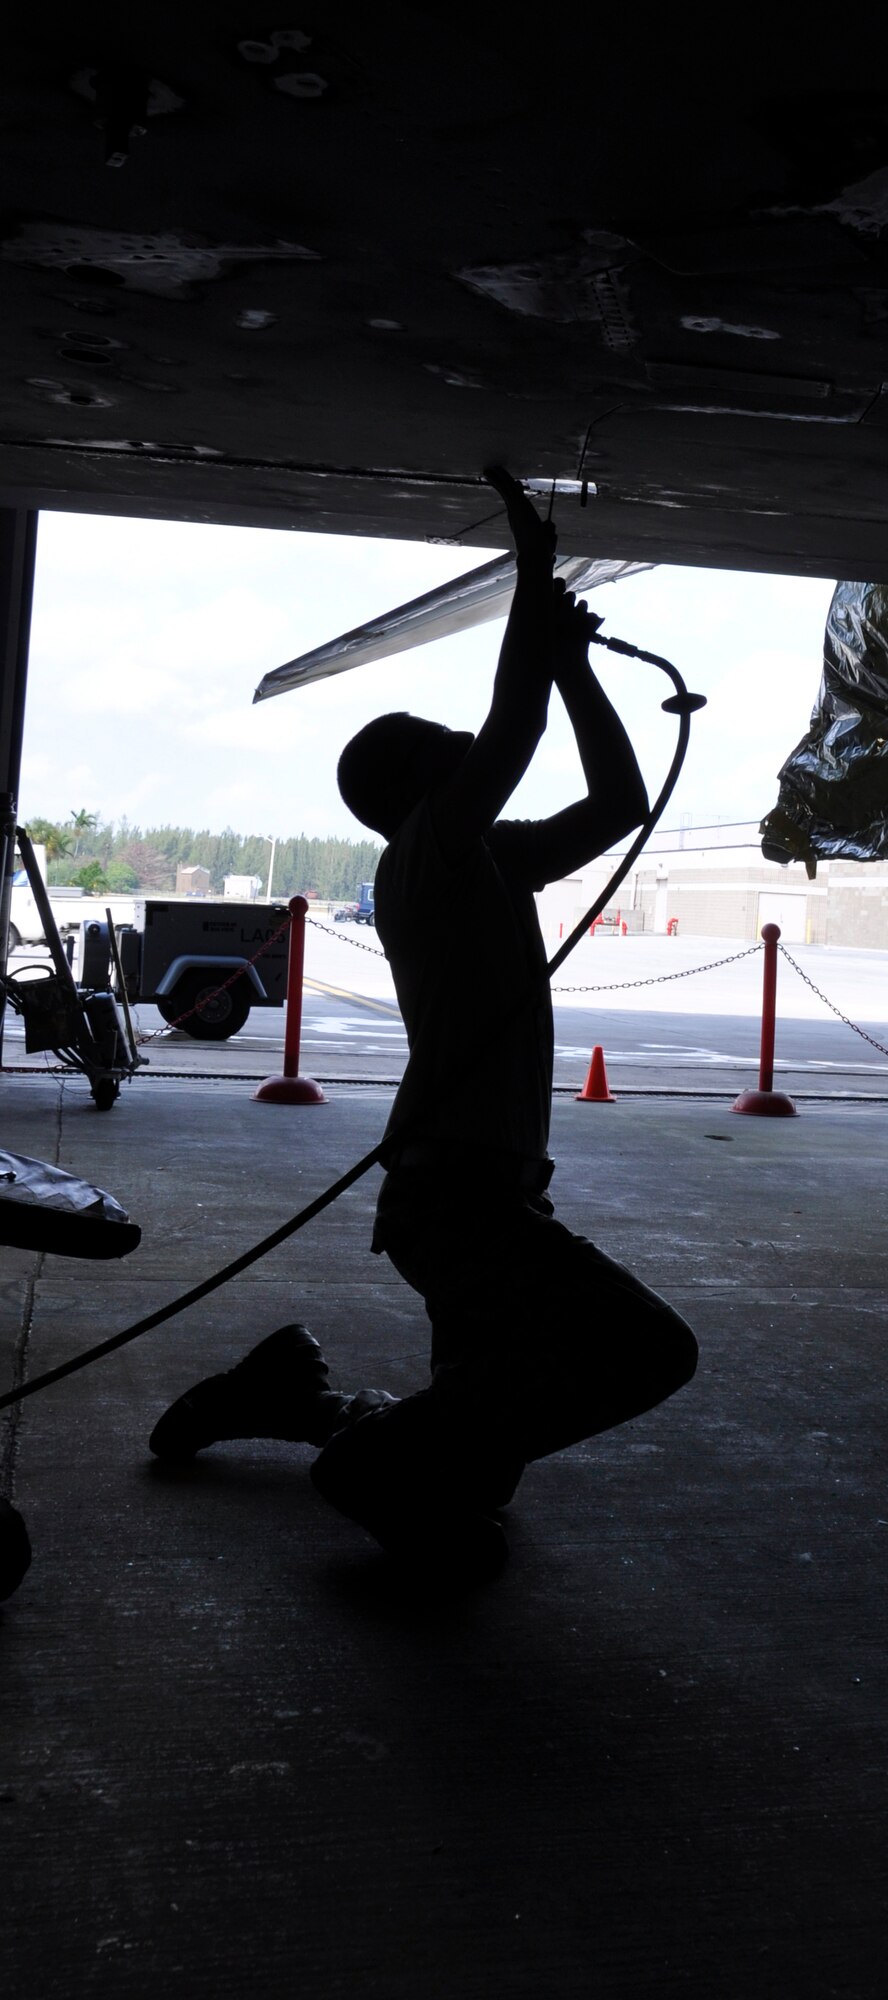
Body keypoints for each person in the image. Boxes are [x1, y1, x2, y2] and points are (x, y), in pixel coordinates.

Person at [150, 469, 697, 1584]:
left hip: (471, 1192)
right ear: (418, 788)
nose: (470, 745)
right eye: (447, 742)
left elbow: (615, 805)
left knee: (471, 1448)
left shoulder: (482, 861)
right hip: (459, 1198)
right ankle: (356, 1469)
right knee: (647, 1350)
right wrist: (533, 582)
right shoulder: (429, 859)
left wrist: (579, 665)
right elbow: (516, 721)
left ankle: (294, 1399)